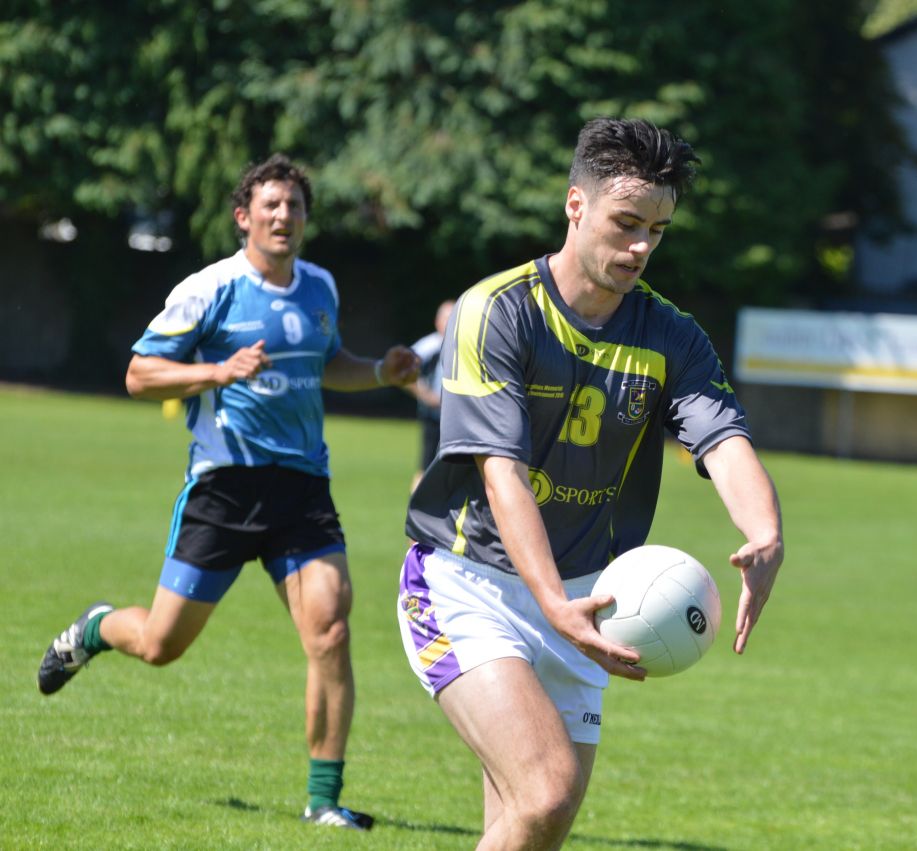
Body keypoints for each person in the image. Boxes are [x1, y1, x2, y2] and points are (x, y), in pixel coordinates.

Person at [395, 117, 784, 849]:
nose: (641, 247)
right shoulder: (497, 310)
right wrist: (550, 603)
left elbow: (723, 438)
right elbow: (500, 471)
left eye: (658, 231)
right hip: (465, 584)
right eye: (626, 223)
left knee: (532, 822)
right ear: (577, 205)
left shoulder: (672, 335)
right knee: (545, 792)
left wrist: (766, 532)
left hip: (591, 599)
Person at [36, 153, 419, 830]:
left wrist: (382, 374)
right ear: (244, 217)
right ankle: (96, 627)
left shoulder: (320, 287)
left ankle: (324, 801)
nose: (284, 216)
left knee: (330, 630)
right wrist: (219, 369)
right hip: (225, 487)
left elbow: (333, 368)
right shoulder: (209, 289)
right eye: (270, 205)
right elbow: (138, 374)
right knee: (160, 644)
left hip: (302, 487)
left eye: (294, 206)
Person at [406, 298, 456, 491]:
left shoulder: (467, 344)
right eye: (446, 318)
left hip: (459, 417)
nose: (450, 322)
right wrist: (426, 395)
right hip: (434, 416)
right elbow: (403, 371)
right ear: (437, 321)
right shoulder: (430, 345)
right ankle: (416, 508)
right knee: (426, 464)